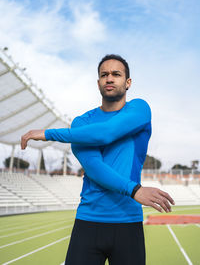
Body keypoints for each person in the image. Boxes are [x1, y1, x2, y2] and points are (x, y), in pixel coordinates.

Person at [21, 54, 175, 265]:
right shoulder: (81, 122)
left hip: (128, 221)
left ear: (128, 82)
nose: (109, 78)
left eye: (116, 74)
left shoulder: (139, 109)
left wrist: (49, 133)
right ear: (98, 83)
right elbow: (93, 167)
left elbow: (107, 132)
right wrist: (135, 190)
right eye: (104, 75)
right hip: (88, 221)